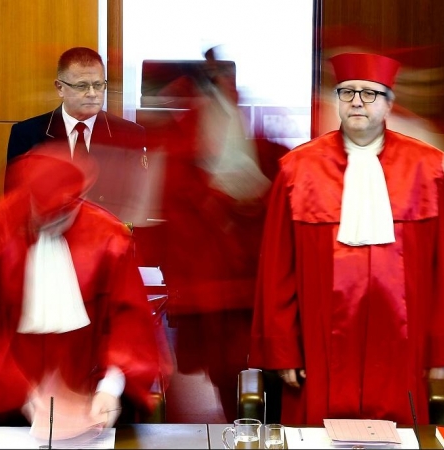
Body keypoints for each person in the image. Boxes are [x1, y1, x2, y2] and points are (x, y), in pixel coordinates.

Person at [249, 52, 444, 425]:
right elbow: (278, 270)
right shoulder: (297, 170)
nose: (357, 101)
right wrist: (283, 350)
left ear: (389, 103)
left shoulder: (426, 167)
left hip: (400, 341)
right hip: (319, 346)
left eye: (370, 93)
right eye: (347, 92)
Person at [0, 144, 169, 428]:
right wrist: (25, 397)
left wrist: (110, 388)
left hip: (91, 399)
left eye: (64, 213)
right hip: (7, 402)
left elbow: (130, 323)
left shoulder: (110, 238)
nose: (53, 222)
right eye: (42, 214)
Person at [155, 50, 285, 422]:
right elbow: (174, 213)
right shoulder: (183, 141)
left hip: (246, 284)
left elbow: (276, 181)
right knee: (225, 377)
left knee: (259, 374)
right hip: (211, 284)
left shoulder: (254, 138)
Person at [6, 46, 149, 225]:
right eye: (82, 86)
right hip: (49, 241)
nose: (92, 94)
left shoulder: (130, 135)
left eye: (98, 85)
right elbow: (15, 201)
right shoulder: (28, 134)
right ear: (60, 88)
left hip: (109, 241)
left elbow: (137, 201)